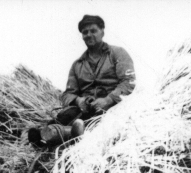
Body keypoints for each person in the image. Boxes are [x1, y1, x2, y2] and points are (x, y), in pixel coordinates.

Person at [29, 15, 136, 148]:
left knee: (101, 124)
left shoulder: (118, 53)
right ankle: (52, 135)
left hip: (114, 106)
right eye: (85, 32)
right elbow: (68, 94)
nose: (89, 35)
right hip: (86, 111)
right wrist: (79, 101)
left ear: (102, 31)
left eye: (93, 31)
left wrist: (108, 100)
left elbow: (128, 82)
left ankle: (68, 133)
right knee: (66, 116)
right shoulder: (77, 65)